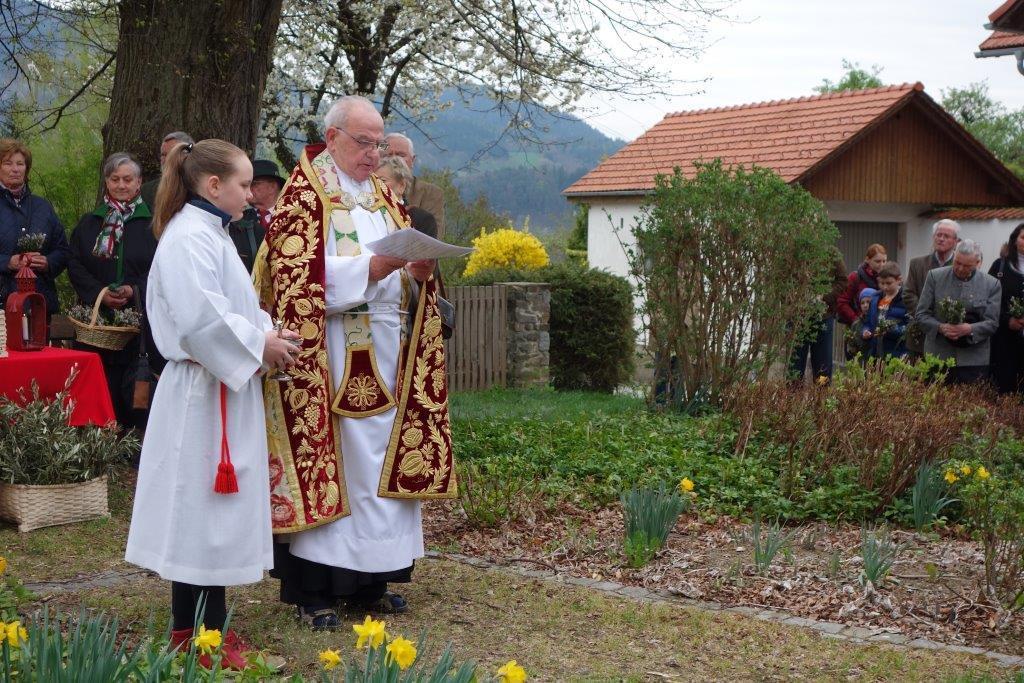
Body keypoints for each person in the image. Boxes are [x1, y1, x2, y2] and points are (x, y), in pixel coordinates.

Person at [258, 95, 454, 630]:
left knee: (381, 461)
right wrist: (371, 269)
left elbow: (404, 278)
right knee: (338, 463)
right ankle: (314, 589)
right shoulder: (304, 195)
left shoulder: (385, 195)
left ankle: (372, 581)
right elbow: (293, 278)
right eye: (364, 143)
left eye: (379, 144)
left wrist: (416, 275)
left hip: (388, 350)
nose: (373, 154)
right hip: (330, 352)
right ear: (333, 137)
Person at [124, 138, 301, 669]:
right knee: (199, 515)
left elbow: (232, 307)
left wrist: (268, 332)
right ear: (213, 184)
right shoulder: (188, 238)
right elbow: (201, 321)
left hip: (219, 387)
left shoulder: (212, 233)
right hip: (201, 394)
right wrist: (259, 346)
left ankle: (207, 631)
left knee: (213, 516)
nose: (252, 194)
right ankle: (197, 636)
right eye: (244, 184)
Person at [67, 152, 164, 428]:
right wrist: (99, 292)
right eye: (115, 179)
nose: (121, 185)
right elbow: (75, 263)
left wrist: (134, 290)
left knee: (135, 394)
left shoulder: (154, 225)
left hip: (139, 331)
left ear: (139, 182)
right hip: (96, 328)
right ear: (107, 182)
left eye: (127, 179)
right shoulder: (90, 223)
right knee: (99, 391)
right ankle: (100, 441)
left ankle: (135, 442)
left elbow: (161, 269)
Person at [0, 138, 71, 315]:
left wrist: (48, 262)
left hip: (39, 304)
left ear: (27, 169)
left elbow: (63, 251)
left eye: (20, 164)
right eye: (8, 163)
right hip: (3, 303)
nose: (15, 169)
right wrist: (8, 262)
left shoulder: (43, 207)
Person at [916, 239, 1000, 385]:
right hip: (938, 356)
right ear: (954, 255)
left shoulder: (992, 284)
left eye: (967, 266)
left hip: (974, 360)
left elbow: (992, 323)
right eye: (957, 262)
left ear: (978, 263)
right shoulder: (934, 277)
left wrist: (969, 329)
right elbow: (921, 315)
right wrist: (941, 327)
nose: (960, 269)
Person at [904, 219, 960, 360]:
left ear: (955, 241)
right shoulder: (917, 264)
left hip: (949, 336)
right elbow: (908, 294)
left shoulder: (960, 266)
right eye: (938, 235)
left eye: (946, 236)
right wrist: (926, 318)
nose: (941, 239)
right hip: (920, 335)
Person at [787, 251, 847, 382]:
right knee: (794, 366)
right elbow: (782, 279)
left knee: (823, 367)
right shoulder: (792, 252)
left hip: (823, 317)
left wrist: (824, 296)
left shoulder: (832, 254)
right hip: (797, 317)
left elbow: (843, 281)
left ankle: (821, 393)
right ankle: (791, 393)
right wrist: (794, 297)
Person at [383, 132, 446, 238]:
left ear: (412, 160)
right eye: (388, 155)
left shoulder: (430, 193)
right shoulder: (369, 188)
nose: (394, 160)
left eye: (400, 155)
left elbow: (433, 237)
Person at [228, 160, 283, 273]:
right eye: (245, 185)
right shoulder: (238, 219)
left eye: (254, 184)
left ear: (272, 187)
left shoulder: (289, 217)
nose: (248, 190)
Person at [988, 222, 1024, 393]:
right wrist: (1007, 320)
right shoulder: (1000, 266)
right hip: (1004, 341)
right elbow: (988, 300)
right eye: (1023, 237)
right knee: (1004, 389)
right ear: (1015, 240)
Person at [863, 261, 910, 360]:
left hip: (896, 352)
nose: (885, 287)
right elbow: (868, 321)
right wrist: (865, 331)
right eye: (882, 283)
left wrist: (892, 329)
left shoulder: (906, 300)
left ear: (899, 280)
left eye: (889, 283)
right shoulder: (875, 298)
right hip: (875, 350)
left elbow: (910, 327)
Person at [836, 243, 888, 326]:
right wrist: (856, 320)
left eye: (884, 261)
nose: (882, 265)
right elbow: (842, 302)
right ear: (867, 259)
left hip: (881, 326)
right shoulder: (855, 277)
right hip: (860, 325)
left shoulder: (889, 278)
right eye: (877, 261)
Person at [140, 131, 194, 209]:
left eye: (172, 154)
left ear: (188, 156)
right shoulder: (146, 191)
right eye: (163, 155)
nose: (166, 159)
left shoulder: (199, 188)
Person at [844, 288, 876, 361]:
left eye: (868, 302)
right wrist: (860, 338)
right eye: (862, 303)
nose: (865, 305)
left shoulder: (880, 321)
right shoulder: (856, 324)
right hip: (862, 361)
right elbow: (851, 348)